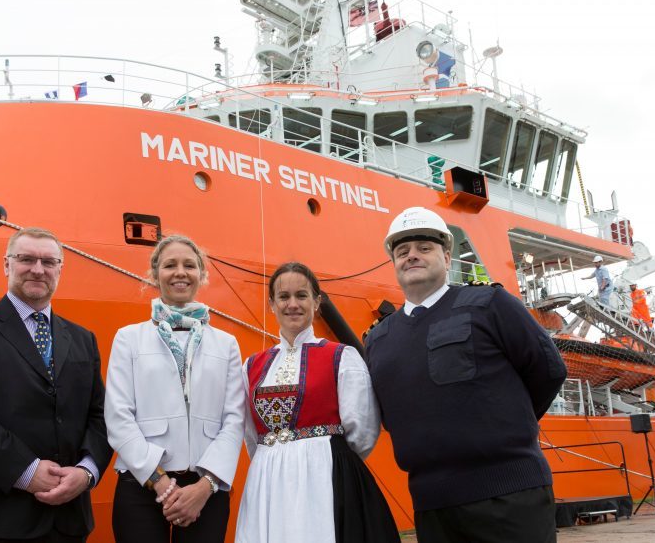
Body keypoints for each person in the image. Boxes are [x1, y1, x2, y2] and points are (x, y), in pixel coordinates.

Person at [365, 207, 567, 543]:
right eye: (402, 251)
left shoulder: (490, 304)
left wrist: (503, 425)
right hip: (433, 507)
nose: (412, 256)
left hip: (509, 496)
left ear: (447, 255)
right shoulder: (378, 339)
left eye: (424, 248)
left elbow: (547, 370)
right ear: (394, 263)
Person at [0, 227, 113, 543]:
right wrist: (26, 471)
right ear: (6, 265)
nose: (37, 269)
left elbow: (100, 416)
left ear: (60, 269)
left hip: (66, 520)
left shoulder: (83, 339)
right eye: (26, 259)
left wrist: (87, 473)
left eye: (48, 262)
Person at [236, 262, 399, 543]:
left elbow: (362, 430)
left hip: (323, 474)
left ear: (317, 301)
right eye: (283, 297)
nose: (293, 304)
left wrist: (327, 460)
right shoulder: (252, 365)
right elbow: (251, 434)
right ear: (272, 304)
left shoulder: (342, 356)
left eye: (301, 295)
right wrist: (274, 459)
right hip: (267, 477)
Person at [105, 235, 244, 543]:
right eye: (170, 265)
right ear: (155, 275)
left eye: (189, 265)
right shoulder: (128, 338)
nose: (180, 272)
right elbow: (118, 416)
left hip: (205, 487)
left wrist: (206, 485)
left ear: (201, 275)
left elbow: (234, 420)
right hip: (141, 481)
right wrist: (161, 482)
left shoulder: (227, 344)